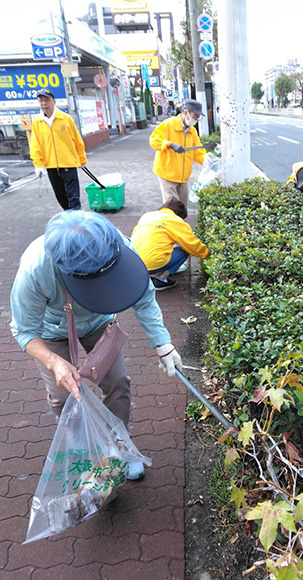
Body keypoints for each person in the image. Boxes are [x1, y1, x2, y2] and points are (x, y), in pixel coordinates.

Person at [10, 210, 183, 480]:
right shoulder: (36, 270)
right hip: (52, 329)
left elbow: (144, 295)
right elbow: (24, 331)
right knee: (63, 396)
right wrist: (56, 363)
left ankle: (120, 445)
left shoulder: (118, 245)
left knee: (117, 381)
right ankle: (84, 449)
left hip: (100, 320)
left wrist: (163, 343)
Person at [131, 197, 209, 291]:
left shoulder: (147, 215)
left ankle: (151, 274)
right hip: (151, 263)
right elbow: (191, 244)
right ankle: (161, 279)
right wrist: (207, 255)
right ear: (180, 215)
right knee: (184, 250)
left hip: (133, 262)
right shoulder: (175, 220)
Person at [29, 88, 87, 211]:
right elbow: (35, 144)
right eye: (41, 101)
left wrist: (82, 160)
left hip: (68, 163)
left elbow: (77, 140)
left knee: (73, 197)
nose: (44, 103)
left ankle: (76, 222)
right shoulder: (37, 122)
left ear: (53, 101)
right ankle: (68, 220)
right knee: (61, 197)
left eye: (47, 100)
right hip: (50, 166)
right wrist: (38, 165)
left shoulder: (65, 119)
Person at [149, 98, 207, 205]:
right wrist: (170, 145)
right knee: (172, 207)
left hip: (183, 177)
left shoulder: (192, 131)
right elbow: (154, 140)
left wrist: (208, 162)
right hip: (167, 175)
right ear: (185, 112)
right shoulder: (168, 124)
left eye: (197, 119)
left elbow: (198, 151)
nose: (194, 121)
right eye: (194, 117)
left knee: (182, 208)